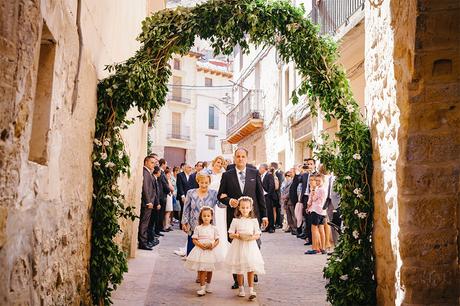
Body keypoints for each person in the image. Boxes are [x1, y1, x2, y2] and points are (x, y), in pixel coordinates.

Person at [218, 147, 268, 289]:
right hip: (235, 218)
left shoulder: (254, 173)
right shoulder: (227, 175)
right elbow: (220, 195)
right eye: (238, 156)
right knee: (236, 248)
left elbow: (260, 195)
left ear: (246, 158)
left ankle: (253, 270)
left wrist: (264, 215)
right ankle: (237, 280)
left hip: (253, 217)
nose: (240, 159)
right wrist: (229, 201)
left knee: (255, 244)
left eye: (243, 156)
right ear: (234, 158)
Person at [225, 196, 265, 301]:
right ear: (239, 208)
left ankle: (251, 289)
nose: (245, 210)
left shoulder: (254, 221)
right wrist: (236, 235)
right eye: (242, 208)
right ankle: (241, 288)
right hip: (238, 245)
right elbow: (230, 234)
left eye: (247, 207)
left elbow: (258, 234)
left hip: (250, 245)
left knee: (250, 268)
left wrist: (251, 237)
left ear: (251, 208)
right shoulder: (235, 221)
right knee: (240, 268)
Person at [181, 171, 225, 256]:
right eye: (202, 182)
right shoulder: (190, 193)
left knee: (206, 255)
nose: (204, 185)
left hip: (208, 229)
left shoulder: (214, 193)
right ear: (198, 181)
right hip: (194, 227)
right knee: (193, 255)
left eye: (206, 183)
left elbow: (221, 205)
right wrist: (184, 222)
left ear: (209, 182)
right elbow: (186, 208)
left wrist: (225, 199)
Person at [184, 206, 220, 296]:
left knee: (210, 269)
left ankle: (208, 285)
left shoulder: (214, 228)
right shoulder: (198, 228)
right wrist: (201, 245)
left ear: (211, 217)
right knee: (202, 269)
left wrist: (212, 245)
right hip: (200, 250)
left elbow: (217, 240)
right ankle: (202, 287)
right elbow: (194, 239)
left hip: (210, 251)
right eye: (204, 216)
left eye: (208, 216)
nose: (206, 218)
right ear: (201, 217)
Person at [207, 155, 230, 262]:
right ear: (214, 162)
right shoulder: (208, 173)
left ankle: (221, 249)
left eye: (221, 163)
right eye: (218, 162)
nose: (219, 165)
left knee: (221, 223)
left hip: (220, 203)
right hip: (210, 201)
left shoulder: (224, 174)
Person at [305, 174, 327, 254]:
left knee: (314, 229)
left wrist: (312, 191)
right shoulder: (324, 189)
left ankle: (315, 248)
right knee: (321, 229)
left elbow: (312, 200)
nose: (317, 182)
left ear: (323, 181)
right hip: (322, 211)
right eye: (316, 180)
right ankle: (323, 248)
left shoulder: (318, 190)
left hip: (316, 210)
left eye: (319, 180)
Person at [139, 156, 156, 250]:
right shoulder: (145, 172)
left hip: (149, 202)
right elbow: (145, 188)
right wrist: (148, 201)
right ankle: (143, 243)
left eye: (154, 163)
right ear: (146, 162)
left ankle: (144, 242)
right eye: (152, 162)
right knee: (144, 223)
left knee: (145, 223)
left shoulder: (148, 172)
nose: (153, 165)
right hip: (147, 203)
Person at [259, 164, 276, 233]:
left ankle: (272, 227)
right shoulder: (261, 176)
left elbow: (272, 185)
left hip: (268, 196)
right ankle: (267, 226)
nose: (259, 169)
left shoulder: (269, 175)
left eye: (260, 168)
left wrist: (268, 195)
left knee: (270, 212)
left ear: (264, 168)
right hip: (263, 196)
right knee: (265, 212)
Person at [281, 169, 296, 234]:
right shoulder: (286, 182)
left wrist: (285, 196)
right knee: (288, 216)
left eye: (290, 174)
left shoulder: (293, 181)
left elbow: (291, 191)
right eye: (287, 175)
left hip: (290, 200)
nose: (288, 175)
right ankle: (291, 227)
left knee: (293, 216)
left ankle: (294, 228)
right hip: (286, 201)